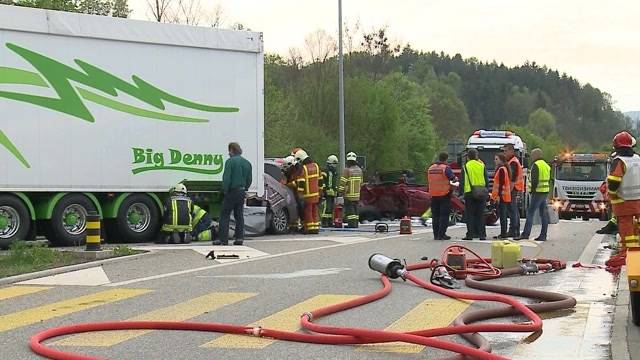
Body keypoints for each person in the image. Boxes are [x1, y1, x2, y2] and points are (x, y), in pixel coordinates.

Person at [606, 131, 640, 251]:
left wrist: (612, 195)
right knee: (637, 229)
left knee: (627, 229)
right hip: (638, 201)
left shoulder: (619, 161)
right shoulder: (638, 158)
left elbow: (614, 182)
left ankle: (630, 254)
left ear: (616, 146)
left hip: (624, 202)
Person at [215, 142, 252, 246]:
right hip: (241, 191)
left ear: (232, 150)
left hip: (232, 191)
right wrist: (245, 189)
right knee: (239, 215)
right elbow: (249, 179)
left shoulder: (230, 162)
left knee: (224, 215)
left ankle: (223, 239)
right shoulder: (247, 163)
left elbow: (226, 178)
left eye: (229, 151)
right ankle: (239, 238)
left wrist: (225, 190)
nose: (228, 153)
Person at [517, 148, 550, 241]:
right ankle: (543, 235)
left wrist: (532, 191)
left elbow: (534, 181)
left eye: (532, 155)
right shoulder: (546, 165)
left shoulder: (536, 165)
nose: (531, 157)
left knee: (530, 212)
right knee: (543, 214)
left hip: (537, 192)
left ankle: (525, 234)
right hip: (545, 191)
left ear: (536, 155)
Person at [427, 152, 458, 240]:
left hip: (433, 195)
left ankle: (436, 234)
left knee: (435, 216)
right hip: (444, 194)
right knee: (444, 216)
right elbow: (452, 178)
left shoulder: (431, 168)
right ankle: (441, 234)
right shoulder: (446, 168)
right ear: (446, 159)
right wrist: (455, 179)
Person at [461, 148, 489, 240]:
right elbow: (486, 179)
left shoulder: (466, 166)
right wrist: (487, 191)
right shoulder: (481, 165)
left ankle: (470, 234)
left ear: (468, 157)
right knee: (480, 214)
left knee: (470, 215)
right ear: (477, 156)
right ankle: (482, 234)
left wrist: (461, 193)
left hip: (469, 192)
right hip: (481, 192)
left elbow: (462, 180)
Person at [295, 149, 321, 234]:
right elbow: (320, 180)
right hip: (316, 194)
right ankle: (316, 227)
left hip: (308, 195)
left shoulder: (304, 169)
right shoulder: (316, 166)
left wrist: (299, 194)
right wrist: (321, 191)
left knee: (308, 212)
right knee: (314, 211)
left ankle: (310, 228)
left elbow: (301, 183)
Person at [503, 144, 524, 238]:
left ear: (511, 151)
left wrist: (509, 190)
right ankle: (514, 230)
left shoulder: (513, 162)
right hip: (514, 188)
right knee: (513, 210)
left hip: (513, 188)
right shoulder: (512, 161)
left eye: (505, 151)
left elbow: (512, 179)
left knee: (513, 210)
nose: (504, 153)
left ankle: (514, 230)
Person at [339, 152, 363, 228]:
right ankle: (355, 224)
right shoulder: (359, 170)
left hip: (348, 195)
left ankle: (351, 225)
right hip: (357, 195)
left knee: (350, 212)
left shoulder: (347, 170)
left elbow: (342, 183)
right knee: (356, 211)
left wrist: (340, 192)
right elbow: (361, 182)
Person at [491, 153, 512, 239]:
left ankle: (503, 234)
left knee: (503, 216)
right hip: (504, 196)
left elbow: (501, 184)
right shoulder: (503, 169)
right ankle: (503, 233)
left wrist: (498, 196)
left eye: (496, 159)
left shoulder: (502, 170)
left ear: (501, 160)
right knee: (503, 215)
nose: (495, 161)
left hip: (502, 196)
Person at [320, 155, 340, 227]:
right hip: (326, 193)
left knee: (331, 208)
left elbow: (334, 183)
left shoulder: (334, 173)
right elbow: (322, 181)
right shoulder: (325, 171)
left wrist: (336, 191)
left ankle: (329, 221)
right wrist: (324, 190)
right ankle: (324, 221)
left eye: (336, 164)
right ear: (329, 163)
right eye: (334, 164)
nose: (335, 166)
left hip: (332, 193)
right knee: (326, 207)